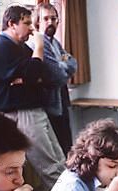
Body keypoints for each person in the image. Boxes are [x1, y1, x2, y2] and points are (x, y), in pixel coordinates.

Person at [0, 5, 65, 191]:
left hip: (35, 111)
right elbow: (33, 73)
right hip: (22, 114)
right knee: (50, 169)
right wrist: (39, 49)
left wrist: (28, 77)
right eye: (28, 23)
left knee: (59, 164)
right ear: (12, 24)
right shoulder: (2, 48)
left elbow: (46, 75)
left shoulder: (21, 48)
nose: (32, 29)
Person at [31, 2, 77, 153]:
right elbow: (56, 76)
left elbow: (73, 64)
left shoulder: (55, 43)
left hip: (61, 100)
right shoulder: (40, 42)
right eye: (45, 19)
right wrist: (62, 65)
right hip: (49, 104)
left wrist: (60, 64)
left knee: (67, 145)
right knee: (58, 149)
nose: (50, 22)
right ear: (37, 22)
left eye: (53, 18)